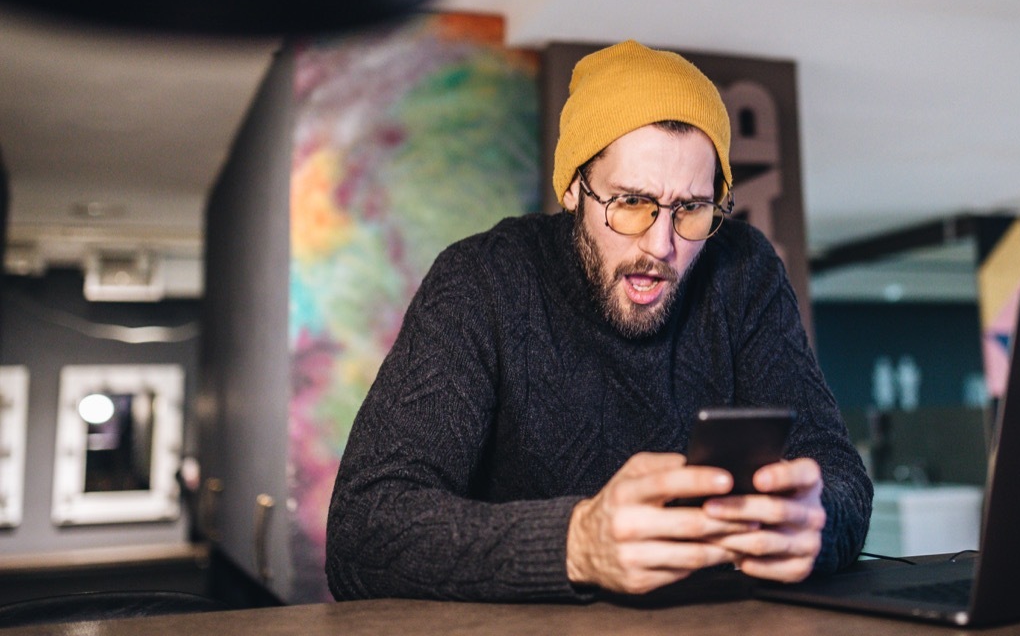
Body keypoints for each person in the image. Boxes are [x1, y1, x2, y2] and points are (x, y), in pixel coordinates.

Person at [325, 40, 872, 602]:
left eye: (692, 208)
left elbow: (840, 473)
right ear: (573, 189)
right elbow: (363, 532)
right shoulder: (481, 278)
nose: (661, 245)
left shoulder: (744, 268)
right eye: (631, 202)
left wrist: (817, 521)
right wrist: (577, 543)